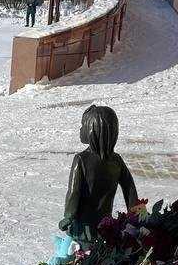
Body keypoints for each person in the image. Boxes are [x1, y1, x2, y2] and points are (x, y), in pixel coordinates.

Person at [59, 104, 138, 242]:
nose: (80, 129)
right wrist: (135, 212)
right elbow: (129, 187)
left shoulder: (81, 159)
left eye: (83, 125)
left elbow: (74, 192)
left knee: (83, 255)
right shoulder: (116, 160)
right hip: (105, 226)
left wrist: (68, 216)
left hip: (84, 227)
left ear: (93, 130)